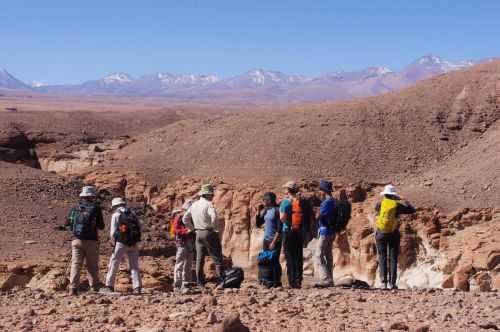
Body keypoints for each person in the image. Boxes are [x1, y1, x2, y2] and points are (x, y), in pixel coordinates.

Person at [374, 185, 416, 290]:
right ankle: (392, 284)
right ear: (394, 195)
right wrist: (404, 200)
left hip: (381, 233)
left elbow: (376, 211)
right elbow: (412, 210)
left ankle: (383, 283)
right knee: (393, 258)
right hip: (393, 233)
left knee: (382, 257)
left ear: (385, 194)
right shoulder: (397, 205)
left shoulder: (380, 203)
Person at [65, 186, 105, 295]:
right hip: (91, 240)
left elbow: (67, 223)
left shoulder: (75, 207)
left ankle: (73, 287)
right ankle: (94, 286)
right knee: (91, 264)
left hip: (76, 240)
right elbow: (101, 226)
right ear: (92, 196)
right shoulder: (95, 208)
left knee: (76, 263)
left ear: (82, 196)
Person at [183, 184, 224, 286]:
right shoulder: (208, 205)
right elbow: (214, 217)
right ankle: (221, 281)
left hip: (198, 233)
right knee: (217, 258)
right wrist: (213, 227)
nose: (213, 196)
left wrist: (193, 229)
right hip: (208, 232)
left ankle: (200, 282)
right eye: (211, 194)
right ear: (208, 195)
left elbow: (185, 219)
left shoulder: (194, 205)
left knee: (199, 259)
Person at [101, 197, 143, 294]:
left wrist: (113, 243)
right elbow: (140, 228)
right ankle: (137, 287)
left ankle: (109, 285)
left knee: (114, 263)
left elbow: (112, 232)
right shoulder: (133, 214)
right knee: (134, 265)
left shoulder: (116, 215)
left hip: (121, 242)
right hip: (134, 242)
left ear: (115, 206)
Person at [279, 180, 311, 289]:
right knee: (298, 256)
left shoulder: (286, 202)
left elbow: (282, 218)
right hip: (299, 232)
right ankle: (299, 280)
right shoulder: (301, 202)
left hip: (288, 232)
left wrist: (289, 224)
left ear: (288, 190)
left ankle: (292, 282)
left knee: (290, 257)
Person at [256, 192, 282, 287]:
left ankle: (277, 282)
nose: (263, 201)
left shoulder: (277, 210)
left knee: (274, 260)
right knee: (266, 260)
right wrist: (258, 212)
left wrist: (274, 241)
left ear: (269, 200)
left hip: (274, 240)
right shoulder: (266, 210)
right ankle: (268, 280)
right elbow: (258, 224)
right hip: (266, 239)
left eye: (264, 199)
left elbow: (279, 228)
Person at [313, 180, 336, 288]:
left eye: (320, 190)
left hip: (325, 231)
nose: (319, 193)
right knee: (328, 255)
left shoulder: (327, 202)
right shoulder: (334, 201)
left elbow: (319, 216)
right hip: (332, 231)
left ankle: (325, 279)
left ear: (323, 191)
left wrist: (316, 212)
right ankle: (330, 278)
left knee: (318, 255)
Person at [173, 200, 195, 291]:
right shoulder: (179, 217)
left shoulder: (192, 217)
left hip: (190, 242)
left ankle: (186, 283)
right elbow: (175, 230)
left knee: (188, 263)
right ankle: (177, 284)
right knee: (180, 263)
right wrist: (186, 231)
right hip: (182, 242)